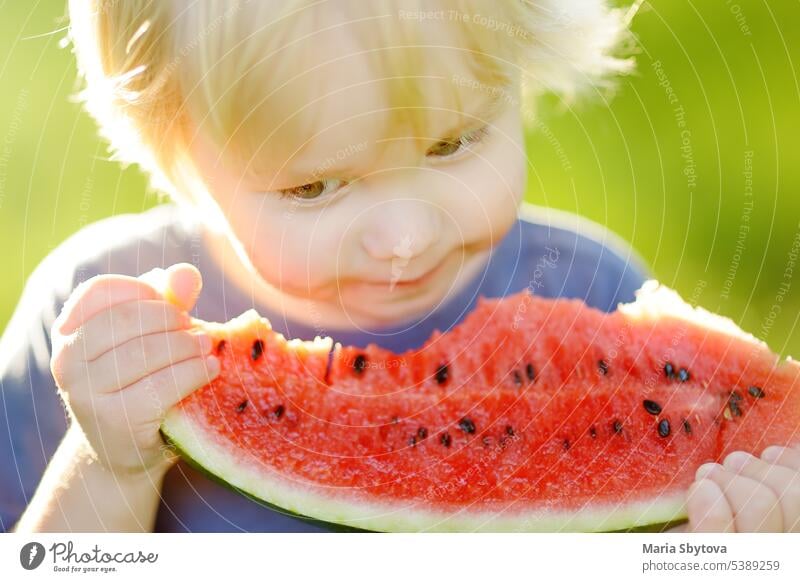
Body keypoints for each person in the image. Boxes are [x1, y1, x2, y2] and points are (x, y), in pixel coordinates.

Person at [2, 0, 797, 533]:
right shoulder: (93, 337)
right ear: (177, 162)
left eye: (453, 143)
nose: (406, 237)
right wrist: (107, 468)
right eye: (312, 187)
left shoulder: (602, 297)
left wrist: (733, 551)